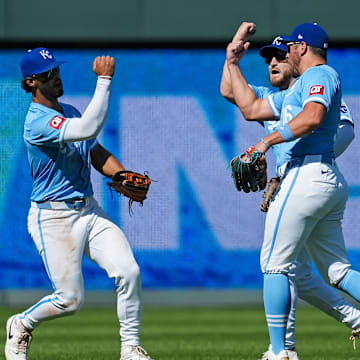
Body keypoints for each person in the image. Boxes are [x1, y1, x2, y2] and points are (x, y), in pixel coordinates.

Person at [5, 47, 155, 360]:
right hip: (53, 217)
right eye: (47, 74)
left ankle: (130, 348)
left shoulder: (70, 111)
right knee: (69, 300)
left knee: (128, 271)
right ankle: (21, 323)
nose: (56, 77)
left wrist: (122, 174)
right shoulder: (36, 122)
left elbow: (95, 152)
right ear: (31, 81)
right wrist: (103, 80)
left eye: (56, 70)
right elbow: (88, 128)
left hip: (88, 210)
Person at [221, 25, 359, 360]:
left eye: (285, 50)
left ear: (300, 48)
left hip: (305, 173)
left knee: (274, 265)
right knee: (336, 271)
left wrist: (266, 142)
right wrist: (232, 62)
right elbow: (250, 107)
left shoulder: (321, 75)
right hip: (319, 178)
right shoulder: (290, 94)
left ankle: (280, 353)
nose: (278, 58)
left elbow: (313, 118)